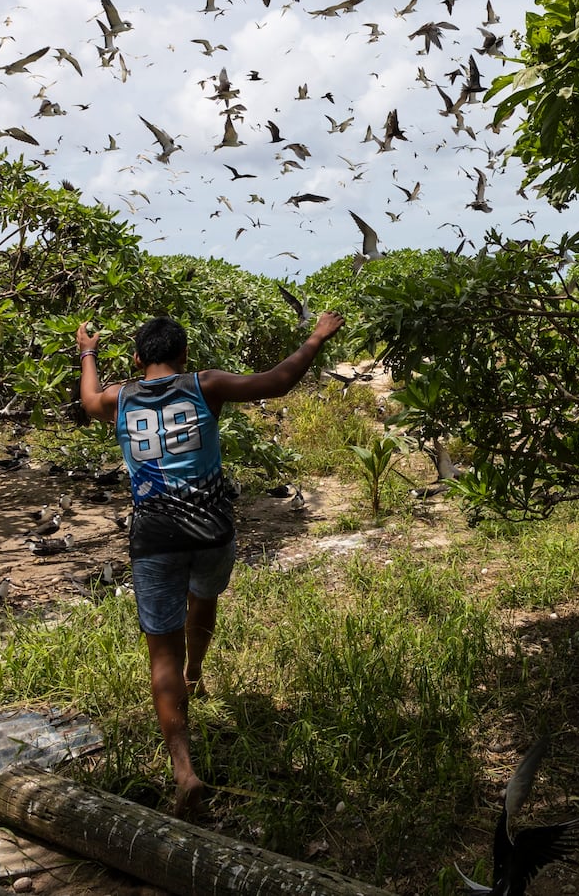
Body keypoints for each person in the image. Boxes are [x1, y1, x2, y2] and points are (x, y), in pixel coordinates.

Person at [76, 311, 344, 815]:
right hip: (211, 529)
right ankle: (196, 673)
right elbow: (279, 382)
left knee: (161, 654)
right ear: (183, 357)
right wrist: (316, 337)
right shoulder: (206, 384)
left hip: (154, 537)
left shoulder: (120, 396)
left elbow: (89, 402)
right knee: (205, 596)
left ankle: (183, 770)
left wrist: (87, 350)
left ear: (137, 357)